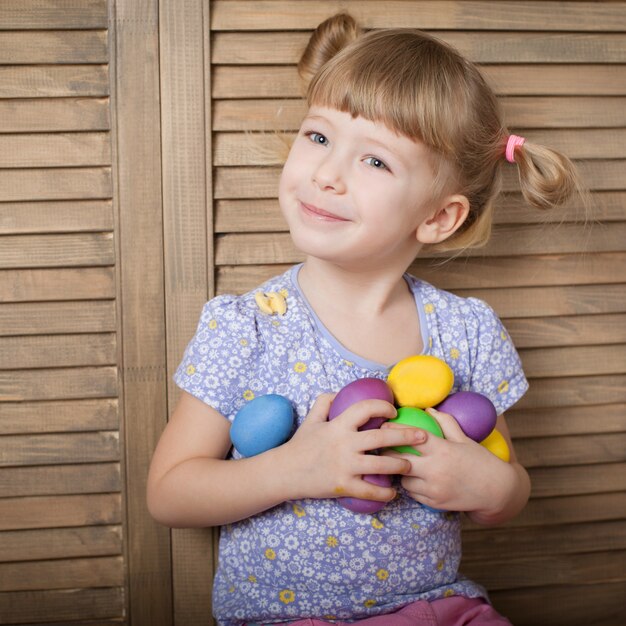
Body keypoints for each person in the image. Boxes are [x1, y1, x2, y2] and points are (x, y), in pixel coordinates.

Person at [147, 13, 582, 626]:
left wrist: (490, 487)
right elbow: (168, 494)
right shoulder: (246, 326)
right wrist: (294, 469)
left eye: (375, 162)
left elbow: (508, 491)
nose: (326, 173)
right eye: (319, 138)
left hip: (437, 608)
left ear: (437, 217)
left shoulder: (465, 331)